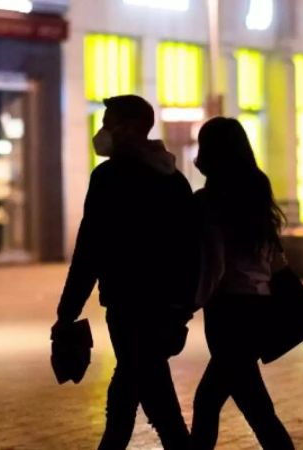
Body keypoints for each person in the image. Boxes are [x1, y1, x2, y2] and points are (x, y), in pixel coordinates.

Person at [54, 95, 197, 450]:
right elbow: (190, 250)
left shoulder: (109, 177)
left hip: (129, 306)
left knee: (138, 391)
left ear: (131, 128)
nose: (103, 131)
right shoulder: (173, 178)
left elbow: (89, 251)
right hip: (164, 308)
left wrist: (67, 312)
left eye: (109, 122)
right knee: (142, 388)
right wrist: (182, 307)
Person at [190, 117, 295, 450]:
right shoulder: (256, 185)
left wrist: (192, 303)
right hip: (259, 304)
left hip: (227, 309)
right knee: (250, 404)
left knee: (214, 402)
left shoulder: (207, 200)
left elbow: (214, 263)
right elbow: (274, 253)